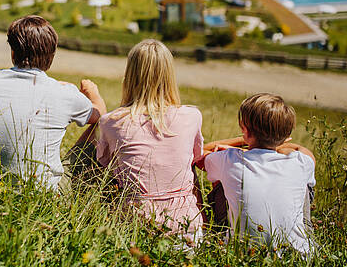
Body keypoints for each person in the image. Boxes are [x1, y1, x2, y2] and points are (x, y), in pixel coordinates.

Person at [0, 15, 107, 190]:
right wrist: (93, 93)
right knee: (102, 126)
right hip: (45, 195)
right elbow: (100, 115)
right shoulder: (65, 94)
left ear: (13, 51)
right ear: (52, 54)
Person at [95, 39, 204, 241]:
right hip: (188, 228)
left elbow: (104, 165)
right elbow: (195, 160)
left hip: (136, 229)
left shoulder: (112, 122)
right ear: (169, 75)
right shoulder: (191, 116)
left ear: (130, 75)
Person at [198, 93, 316, 254]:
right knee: (304, 185)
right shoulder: (302, 163)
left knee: (221, 181)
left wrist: (240, 143)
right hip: (297, 256)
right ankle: (304, 238)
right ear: (287, 136)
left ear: (244, 129)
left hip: (241, 253)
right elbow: (304, 151)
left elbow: (203, 151)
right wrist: (279, 143)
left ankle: (220, 230)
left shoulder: (230, 160)